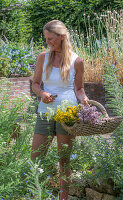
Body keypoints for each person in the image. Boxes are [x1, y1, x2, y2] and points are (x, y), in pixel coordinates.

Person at [31, 20, 89, 200]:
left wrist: (84, 99)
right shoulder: (43, 57)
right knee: (36, 158)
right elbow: (35, 83)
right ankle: (34, 195)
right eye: (46, 38)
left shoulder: (76, 60)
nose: (47, 42)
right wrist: (42, 93)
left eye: (50, 38)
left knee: (64, 160)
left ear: (62, 37)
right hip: (45, 112)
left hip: (67, 115)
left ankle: (64, 197)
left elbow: (79, 89)